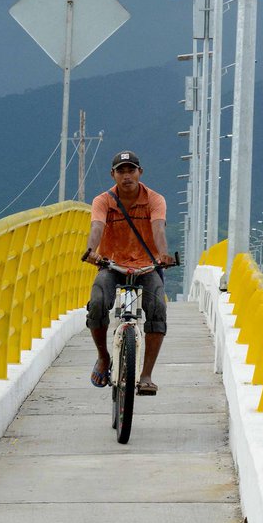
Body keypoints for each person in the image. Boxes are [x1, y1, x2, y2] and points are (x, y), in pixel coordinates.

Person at [83, 150, 174, 396]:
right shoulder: (103, 200)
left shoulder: (155, 199)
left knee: (158, 308)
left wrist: (163, 254)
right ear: (112, 175)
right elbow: (97, 227)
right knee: (98, 302)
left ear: (140, 172)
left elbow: (158, 229)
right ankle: (103, 357)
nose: (126, 176)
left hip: (146, 265)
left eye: (131, 170)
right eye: (121, 171)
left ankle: (146, 375)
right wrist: (91, 251)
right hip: (112, 264)